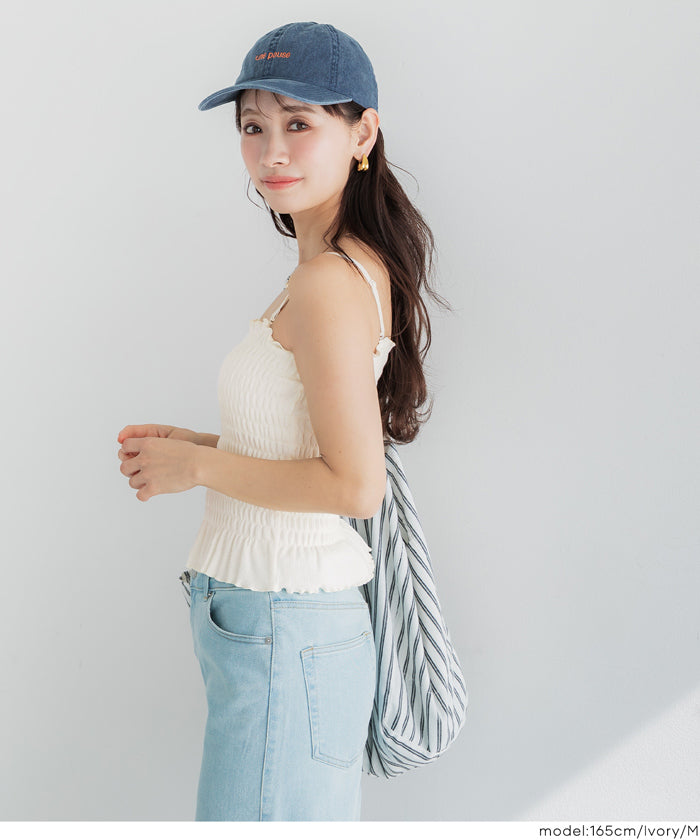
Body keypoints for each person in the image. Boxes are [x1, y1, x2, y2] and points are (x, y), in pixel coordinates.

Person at [116, 20, 451, 821]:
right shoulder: (327, 269)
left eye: (299, 124)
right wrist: (201, 445)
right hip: (278, 627)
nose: (272, 152)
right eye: (252, 127)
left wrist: (199, 468)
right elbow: (309, 441)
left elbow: (354, 485)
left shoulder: (327, 282)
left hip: (284, 627)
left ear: (362, 133)